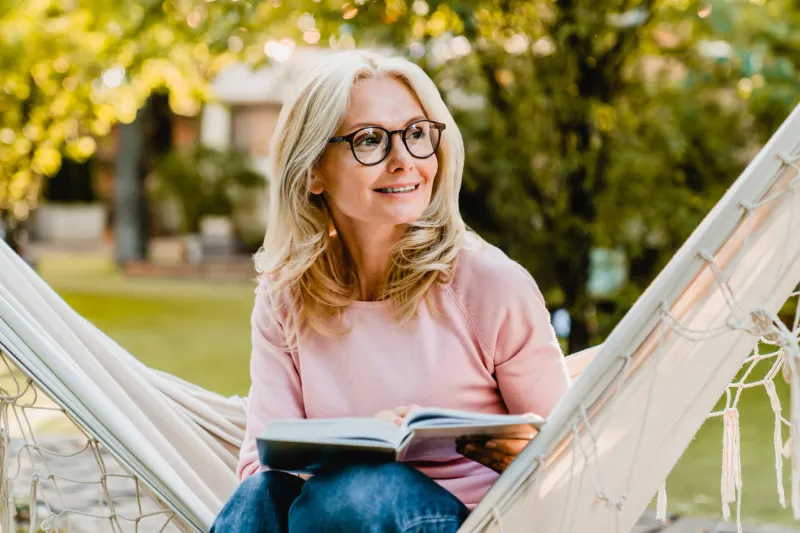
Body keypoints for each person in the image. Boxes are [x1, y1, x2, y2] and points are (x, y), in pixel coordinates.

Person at [210, 49, 570, 533]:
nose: (404, 161)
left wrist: (508, 449)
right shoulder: (285, 297)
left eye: (417, 134)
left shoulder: (489, 285)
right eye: (371, 140)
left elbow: (572, 455)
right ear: (313, 170)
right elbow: (262, 470)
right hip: (328, 517)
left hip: (476, 522)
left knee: (359, 492)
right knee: (262, 494)